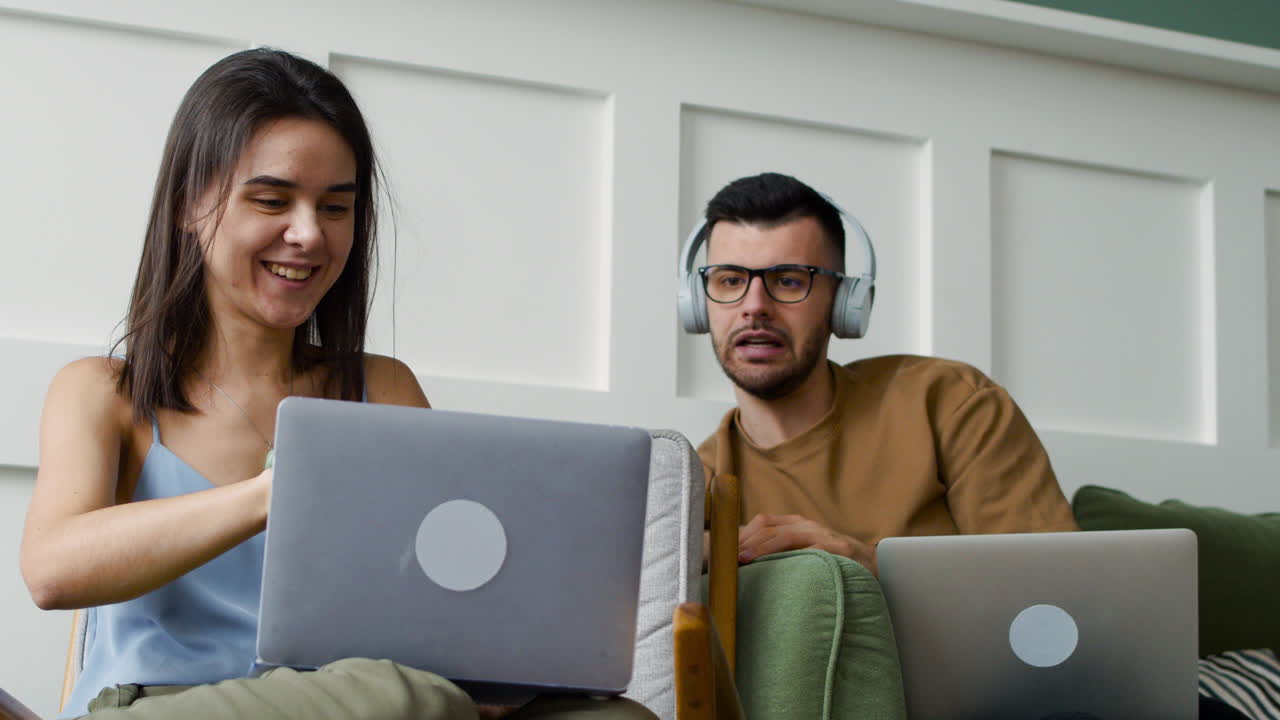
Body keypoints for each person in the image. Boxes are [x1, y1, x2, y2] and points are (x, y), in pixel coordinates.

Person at [20, 48, 654, 720]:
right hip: (164, 699)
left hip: (364, 701)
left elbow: (448, 594)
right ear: (188, 204)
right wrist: (274, 493)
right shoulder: (103, 391)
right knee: (397, 694)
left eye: (335, 208)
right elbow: (53, 570)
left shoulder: (380, 388)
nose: (307, 234)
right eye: (272, 199)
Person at [685, 172, 1079, 575]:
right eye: (730, 280)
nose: (754, 306)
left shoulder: (950, 403)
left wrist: (867, 566)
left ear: (846, 304)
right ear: (698, 305)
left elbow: (1051, 591)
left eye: (788, 281)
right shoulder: (692, 481)